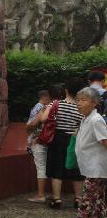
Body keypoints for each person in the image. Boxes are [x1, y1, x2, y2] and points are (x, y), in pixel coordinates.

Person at [55, 87, 107, 218]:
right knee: (98, 204)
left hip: (97, 170)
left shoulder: (96, 120)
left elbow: (105, 141)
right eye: (78, 100)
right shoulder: (86, 119)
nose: (79, 103)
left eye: (83, 100)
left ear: (94, 103)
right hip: (91, 169)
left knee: (87, 203)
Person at [40, 77, 86, 209]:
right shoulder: (81, 108)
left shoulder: (56, 104)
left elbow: (43, 118)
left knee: (57, 167)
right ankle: (78, 199)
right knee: (76, 169)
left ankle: (57, 199)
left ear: (65, 90)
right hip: (74, 139)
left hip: (57, 139)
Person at [26, 90, 51, 203]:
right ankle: (43, 194)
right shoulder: (41, 107)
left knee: (41, 167)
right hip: (43, 140)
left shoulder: (40, 107)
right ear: (45, 97)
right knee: (43, 166)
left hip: (38, 141)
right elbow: (32, 124)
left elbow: (30, 125)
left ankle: (41, 195)